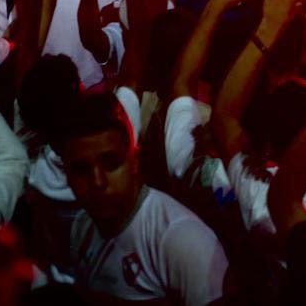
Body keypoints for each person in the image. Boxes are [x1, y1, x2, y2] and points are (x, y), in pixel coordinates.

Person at [59, 91, 229, 305]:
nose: (98, 182)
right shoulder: (81, 227)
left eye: (111, 164)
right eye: (81, 169)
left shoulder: (185, 241)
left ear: (134, 162)